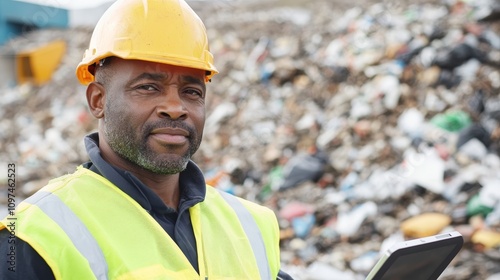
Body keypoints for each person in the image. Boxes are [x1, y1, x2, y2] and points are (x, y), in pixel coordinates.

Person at [0, 0, 293, 279]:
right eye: (149, 87)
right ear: (98, 100)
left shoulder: (253, 225)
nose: (176, 108)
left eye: (192, 92)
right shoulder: (33, 238)